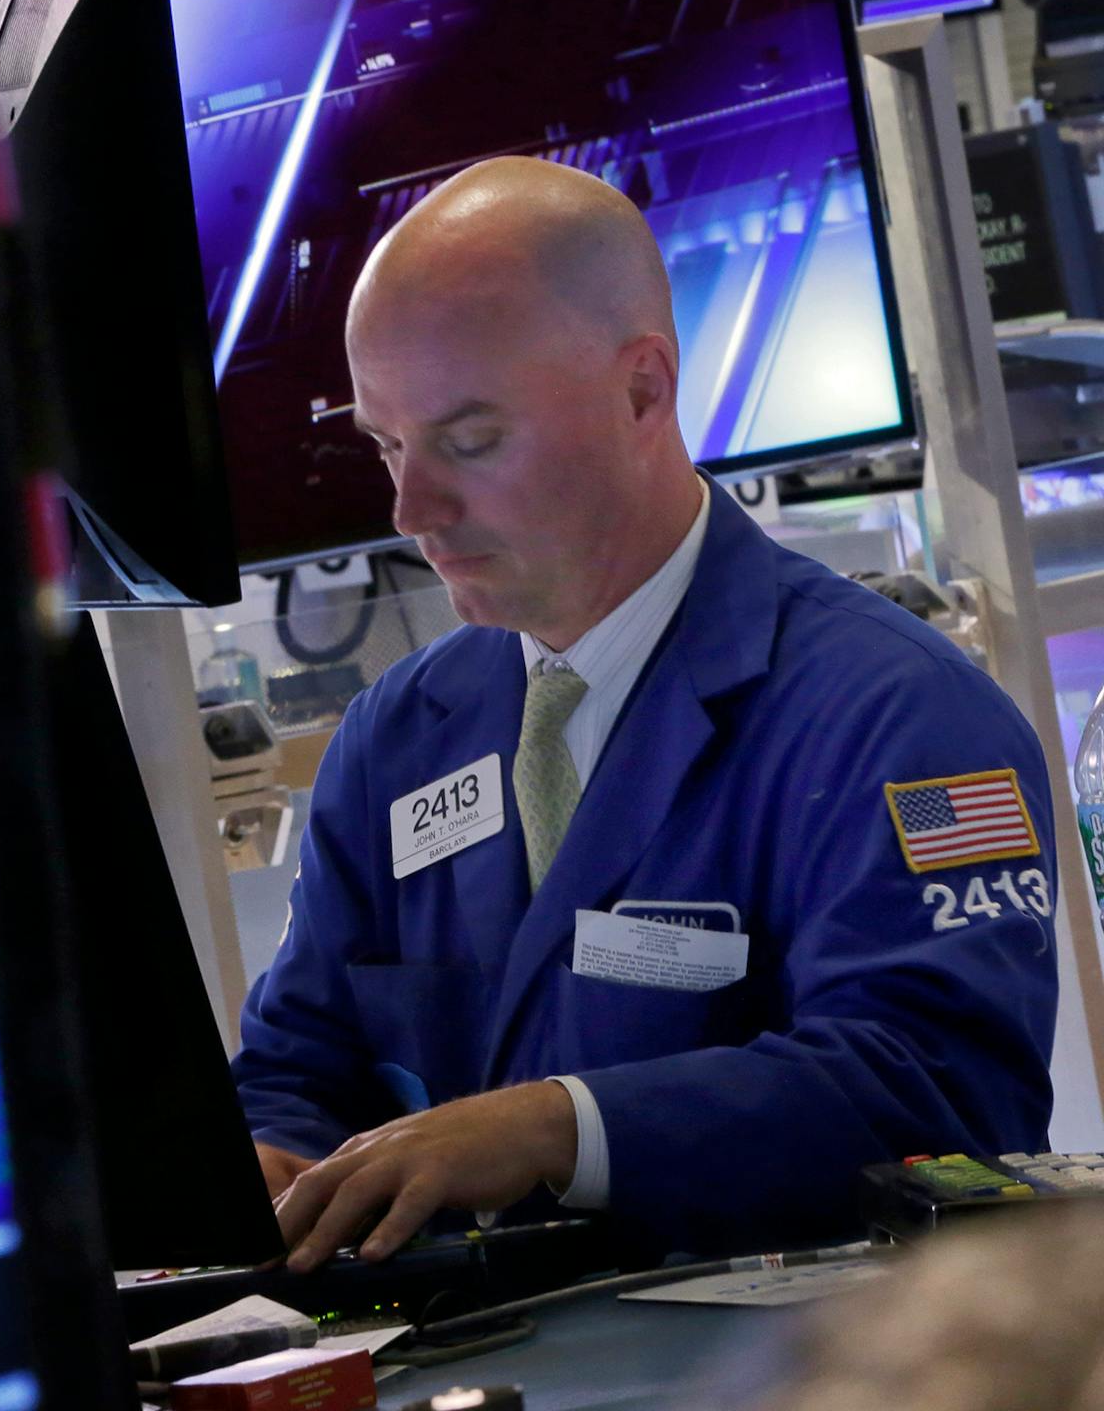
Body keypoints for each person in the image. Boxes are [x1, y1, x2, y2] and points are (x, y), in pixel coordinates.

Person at [235, 155, 1058, 1267]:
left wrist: (554, 1128)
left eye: (470, 440)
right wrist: (272, 1154)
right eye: (388, 443)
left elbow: (947, 1095)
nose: (411, 507)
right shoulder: (396, 737)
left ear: (643, 390)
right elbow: (298, 1063)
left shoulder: (902, 717)